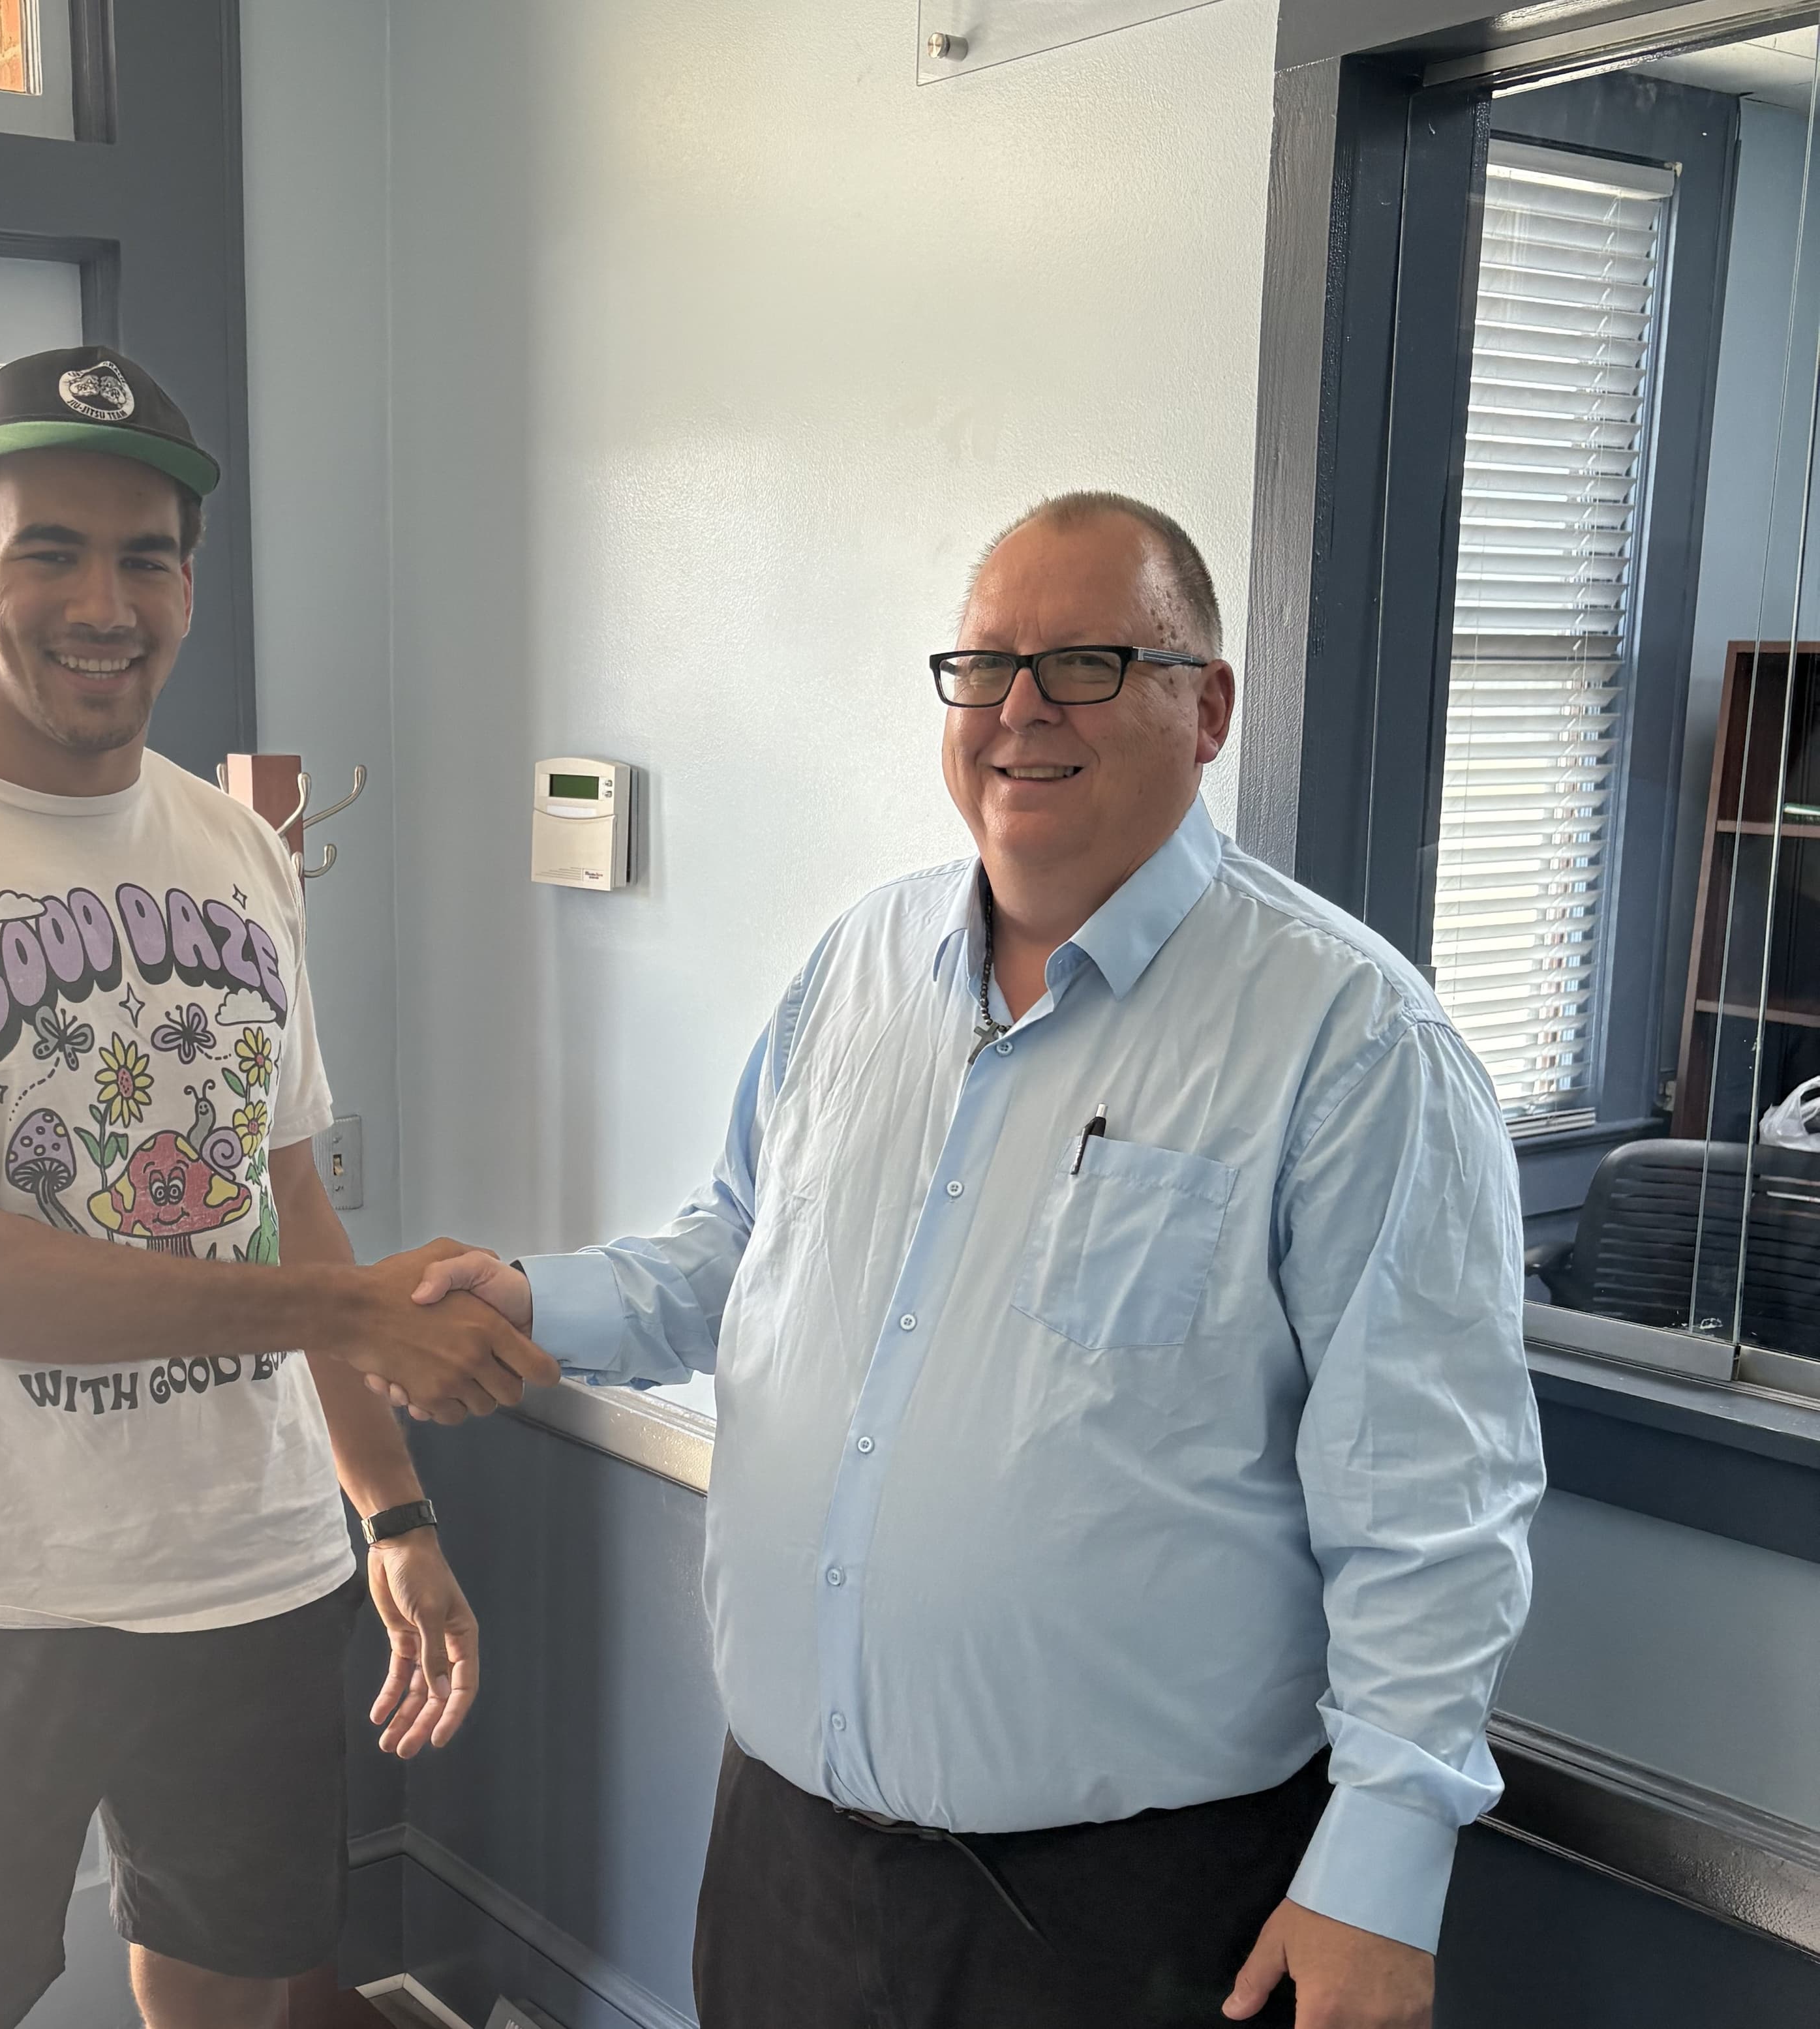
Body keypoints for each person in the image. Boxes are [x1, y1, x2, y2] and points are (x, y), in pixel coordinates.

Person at [410, 494, 1545, 2029]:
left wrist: (1383, 1867)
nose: (1020, 709)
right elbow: (739, 1247)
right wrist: (537, 1302)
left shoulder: (1350, 1042)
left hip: (1125, 1915)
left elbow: (1433, 1501)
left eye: (1086, 661)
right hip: (787, 1859)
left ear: (1205, 706)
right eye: (985, 663)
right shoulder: (856, 969)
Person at [0, 346, 556, 2029]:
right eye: (53, 551)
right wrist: (350, 1313)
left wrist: (389, 1515)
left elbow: (283, 1192)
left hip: (243, 1574)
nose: (107, 602)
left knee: (239, 2004)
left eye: (148, 555)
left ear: (188, 581)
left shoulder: (237, 851)